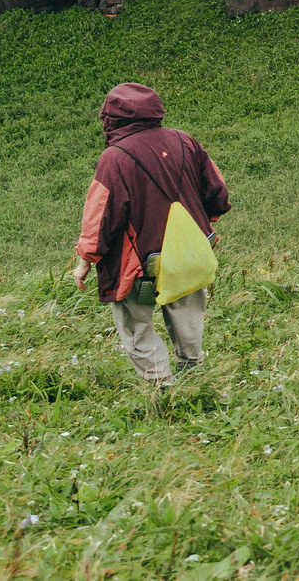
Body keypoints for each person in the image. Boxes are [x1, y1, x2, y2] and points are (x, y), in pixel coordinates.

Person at [70, 83, 231, 386]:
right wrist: (197, 227)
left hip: (139, 264)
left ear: (111, 119)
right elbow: (217, 190)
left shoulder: (114, 158)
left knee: (136, 325)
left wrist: (85, 261)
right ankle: (193, 376)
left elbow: (100, 216)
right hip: (188, 255)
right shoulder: (185, 141)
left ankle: (163, 386)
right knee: (188, 318)